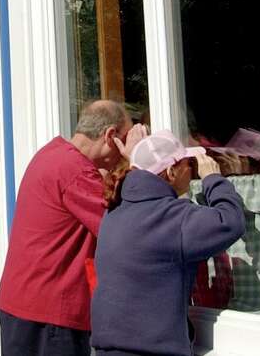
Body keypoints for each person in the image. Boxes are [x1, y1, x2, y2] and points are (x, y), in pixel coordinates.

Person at [0, 100, 147, 356]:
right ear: (110, 136)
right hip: (50, 316)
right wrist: (139, 162)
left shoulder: (51, 154)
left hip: (22, 304)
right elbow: (128, 231)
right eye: (125, 141)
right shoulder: (76, 172)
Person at [91, 130, 246, 356]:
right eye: (188, 164)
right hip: (149, 350)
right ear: (171, 171)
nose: (192, 171)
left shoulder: (115, 211)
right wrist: (213, 180)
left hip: (109, 348)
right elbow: (231, 222)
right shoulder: (171, 217)